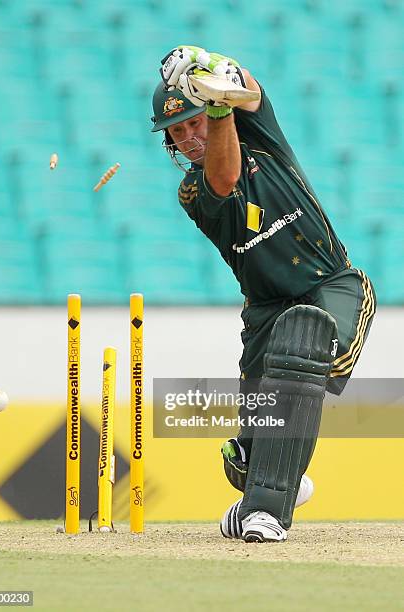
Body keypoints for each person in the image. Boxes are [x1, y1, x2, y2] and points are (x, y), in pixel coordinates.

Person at [151, 46, 376, 543]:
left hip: (331, 288)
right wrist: (215, 107)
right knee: (247, 458)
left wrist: (208, 64)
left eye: (195, 121)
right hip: (265, 314)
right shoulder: (193, 192)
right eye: (178, 131)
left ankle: (267, 513)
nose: (191, 136)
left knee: (303, 339)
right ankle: (269, 487)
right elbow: (225, 176)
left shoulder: (265, 141)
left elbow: (249, 90)